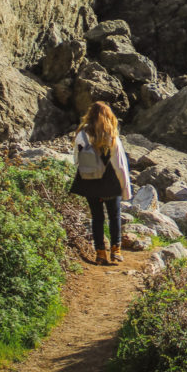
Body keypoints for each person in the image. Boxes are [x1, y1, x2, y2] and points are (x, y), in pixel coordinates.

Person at [69, 101, 133, 265]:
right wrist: (126, 189)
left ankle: (100, 253)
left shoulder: (82, 134)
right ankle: (116, 251)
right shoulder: (112, 137)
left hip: (90, 182)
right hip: (110, 183)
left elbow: (76, 159)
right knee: (114, 216)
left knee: (97, 218)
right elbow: (120, 165)